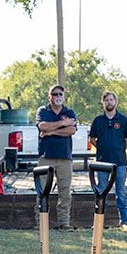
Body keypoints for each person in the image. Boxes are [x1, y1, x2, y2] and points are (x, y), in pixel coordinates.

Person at [88, 91, 127, 228]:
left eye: (111, 100)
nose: (109, 102)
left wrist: (118, 149)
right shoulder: (98, 120)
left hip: (119, 162)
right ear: (103, 103)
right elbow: (92, 139)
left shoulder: (123, 120)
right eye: (106, 100)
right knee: (101, 191)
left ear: (115, 102)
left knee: (120, 191)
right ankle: (100, 221)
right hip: (102, 163)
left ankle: (124, 221)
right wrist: (103, 148)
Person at [36, 84, 78, 230]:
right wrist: (63, 123)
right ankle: (40, 222)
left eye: (61, 94)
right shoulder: (43, 111)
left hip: (65, 157)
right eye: (55, 94)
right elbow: (43, 127)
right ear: (50, 96)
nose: (58, 96)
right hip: (45, 157)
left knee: (65, 192)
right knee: (42, 190)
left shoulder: (69, 111)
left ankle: (64, 223)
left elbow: (71, 130)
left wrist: (52, 132)